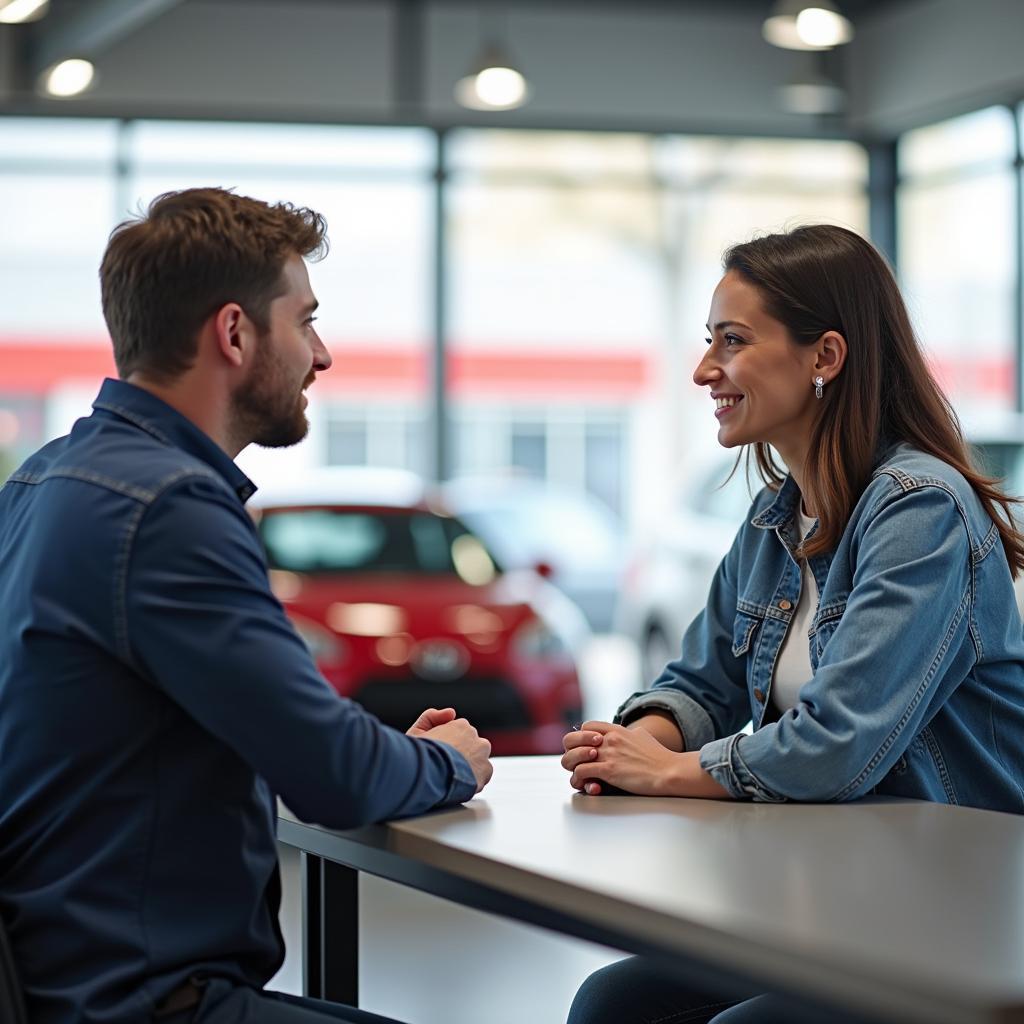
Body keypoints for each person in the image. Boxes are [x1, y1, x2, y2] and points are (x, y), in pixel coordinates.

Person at [0, 187, 493, 1024]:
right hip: (141, 1000)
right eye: (304, 321)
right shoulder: (167, 507)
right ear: (234, 333)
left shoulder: (43, 478)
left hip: (53, 974)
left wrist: (363, 751)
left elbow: (275, 734)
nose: (323, 354)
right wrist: (451, 762)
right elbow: (333, 779)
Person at [560, 224, 1024, 1024]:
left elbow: (836, 746)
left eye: (732, 342)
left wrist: (669, 772)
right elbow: (698, 682)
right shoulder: (775, 518)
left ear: (826, 357)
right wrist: (635, 741)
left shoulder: (922, 510)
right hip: (838, 901)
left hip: (956, 916)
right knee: (614, 1004)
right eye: (709, 342)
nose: (706, 370)